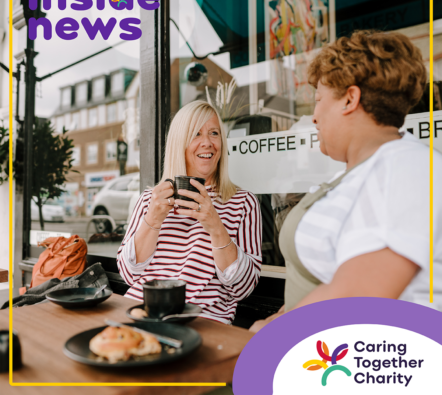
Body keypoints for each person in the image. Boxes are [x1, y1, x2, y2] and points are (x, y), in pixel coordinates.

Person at [250, 30, 442, 333]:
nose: (313, 117)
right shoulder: (356, 175)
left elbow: (358, 295)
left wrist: (268, 337)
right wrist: (278, 318)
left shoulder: (406, 168)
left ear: (350, 99)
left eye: (318, 99)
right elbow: (325, 282)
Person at [117, 100, 262, 324]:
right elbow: (128, 274)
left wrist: (215, 224)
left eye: (214, 133)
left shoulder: (243, 202)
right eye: (196, 134)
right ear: (179, 143)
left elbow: (242, 288)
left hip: (203, 322)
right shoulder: (150, 199)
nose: (207, 143)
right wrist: (153, 219)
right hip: (141, 313)